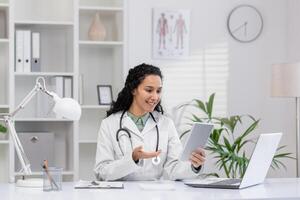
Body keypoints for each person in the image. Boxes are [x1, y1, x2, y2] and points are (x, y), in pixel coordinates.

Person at [94, 63, 206, 181]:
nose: (155, 97)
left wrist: (194, 166)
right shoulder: (109, 124)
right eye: (149, 90)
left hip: (155, 194)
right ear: (133, 89)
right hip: (122, 194)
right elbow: (101, 172)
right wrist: (132, 159)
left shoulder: (166, 124)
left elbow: (173, 168)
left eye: (158, 91)